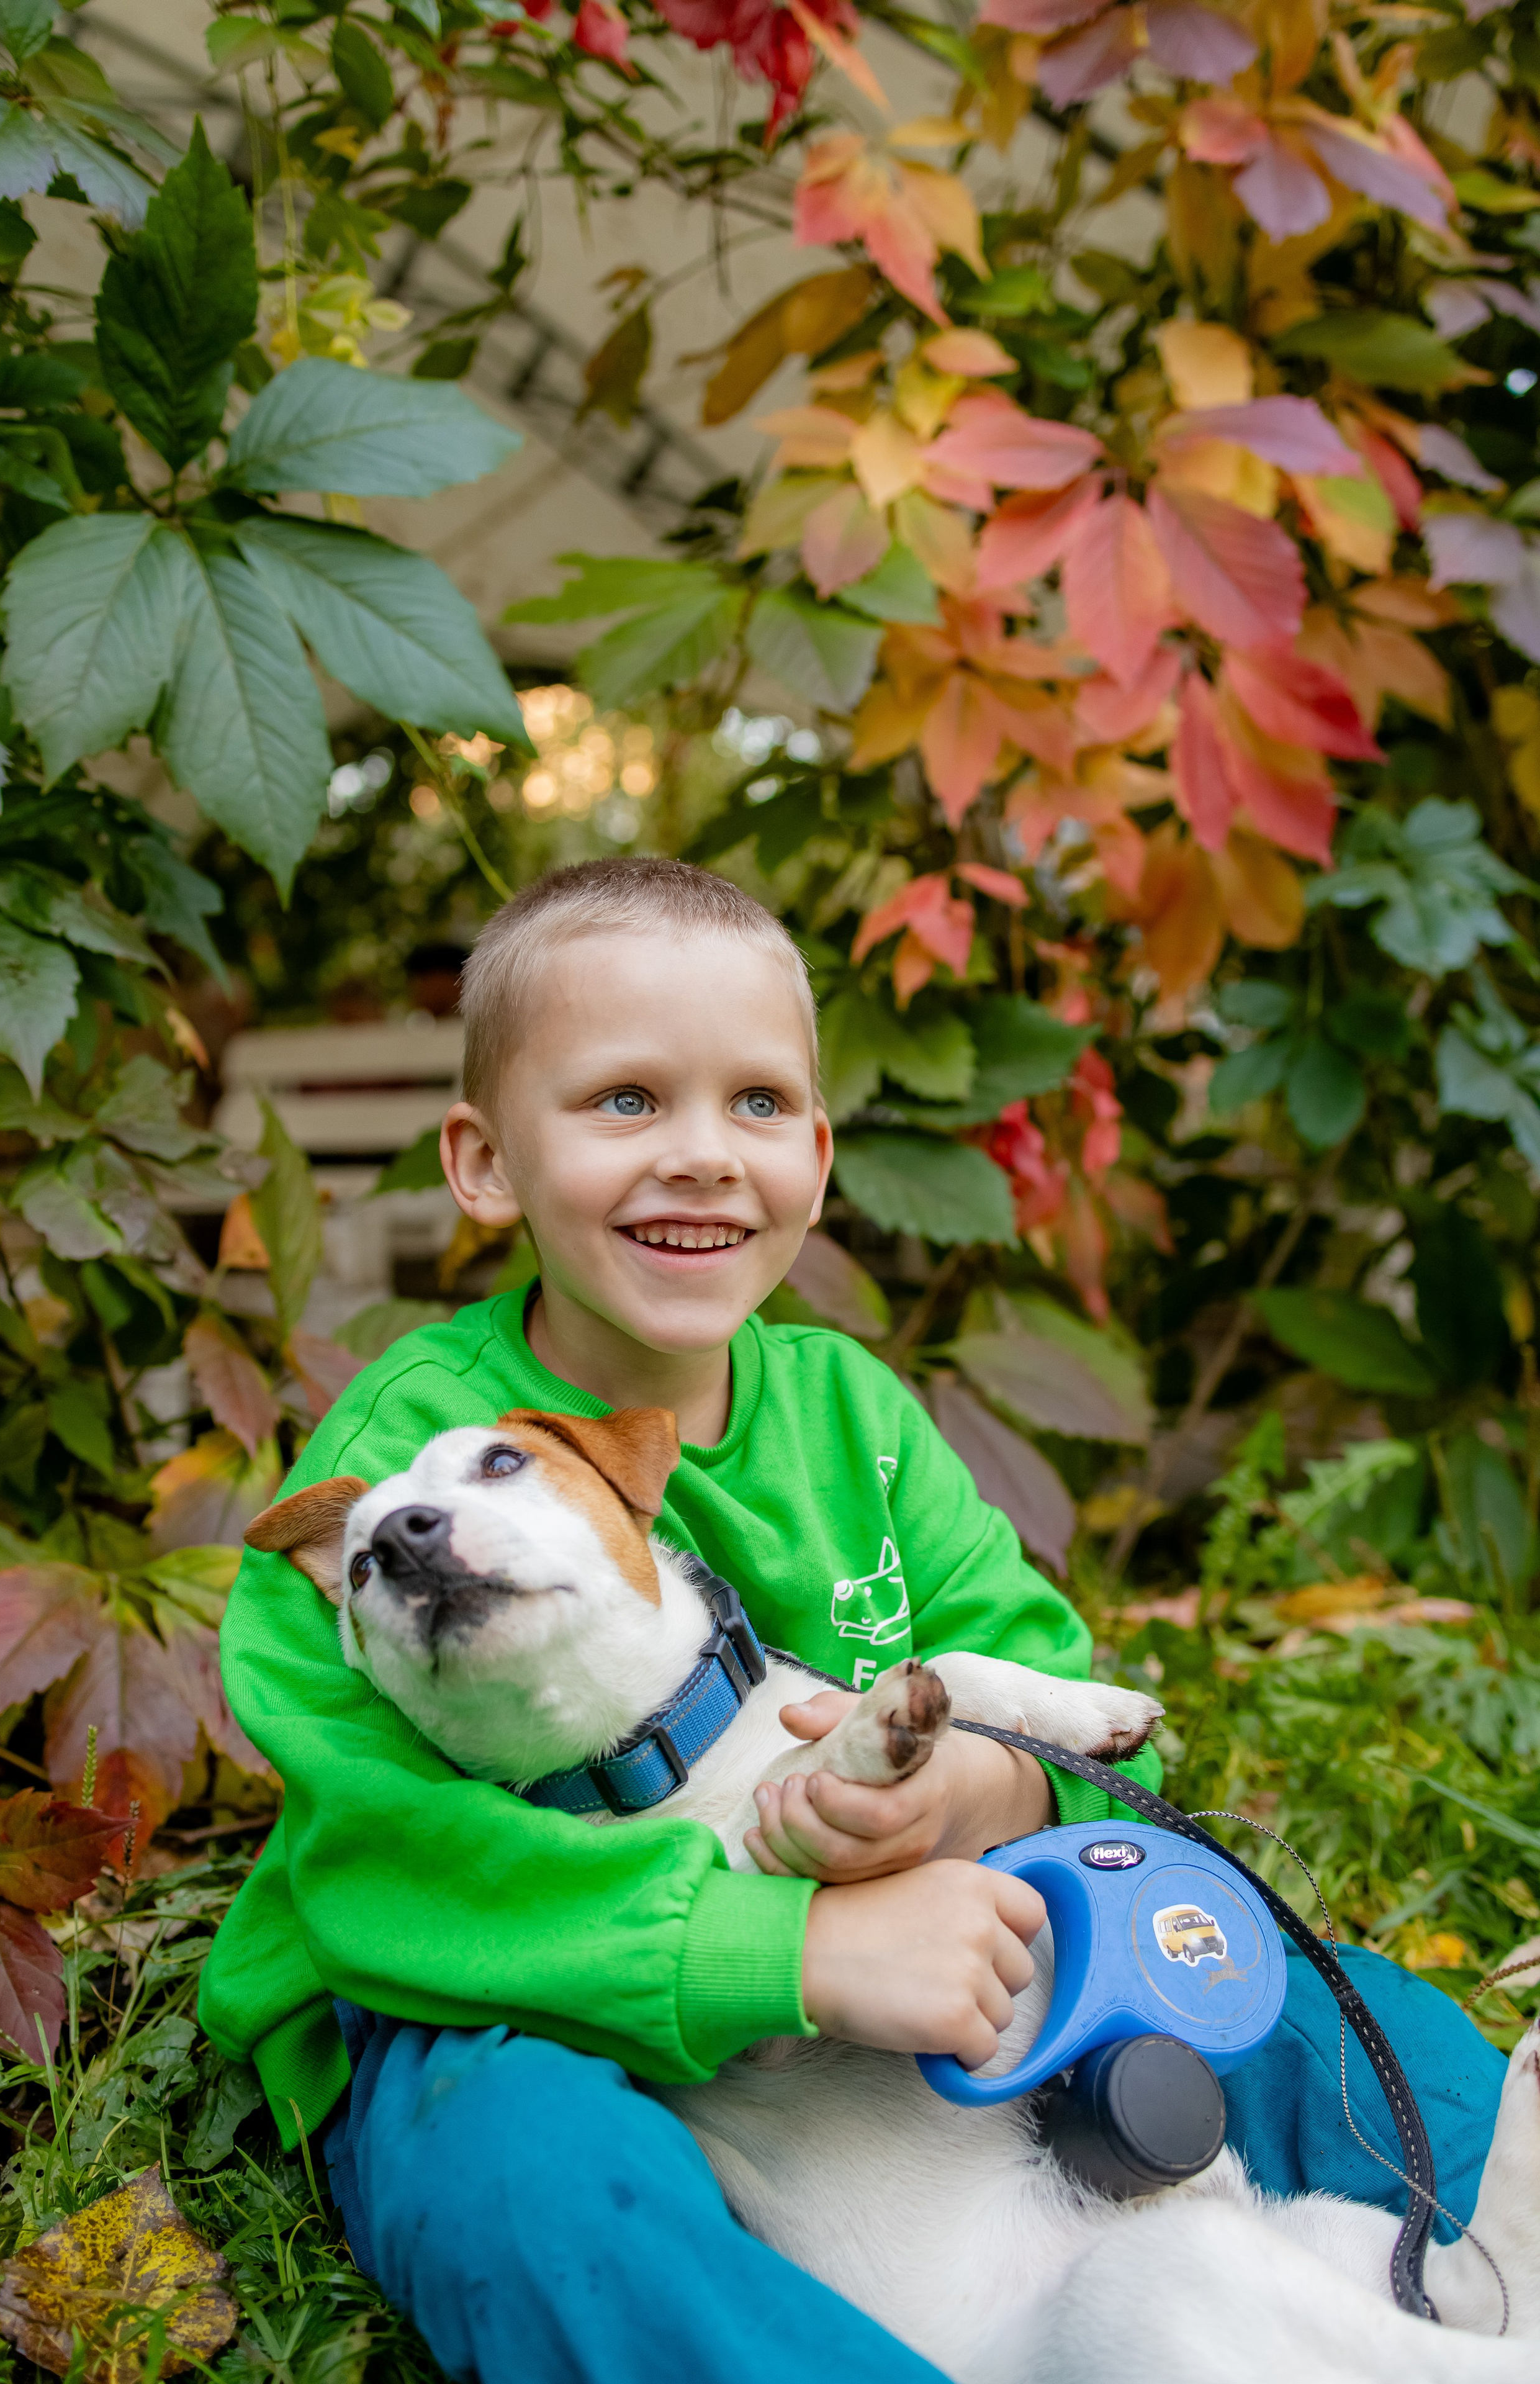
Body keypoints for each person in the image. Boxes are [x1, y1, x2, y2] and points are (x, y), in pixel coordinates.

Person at [200, 858, 1505, 2384]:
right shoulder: (409, 1478)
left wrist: (976, 1790)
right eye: (624, 1101)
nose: (699, 1156)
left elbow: (1052, 1702)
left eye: (754, 1105)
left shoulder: (849, 1413)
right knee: (531, 2174)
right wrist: (789, 1952)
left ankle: (1497, 2242)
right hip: (510, 1981)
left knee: (1275, 1986)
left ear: (816, 1158)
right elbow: (385, 1869)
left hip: (909, 1969)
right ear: (484, 1162)